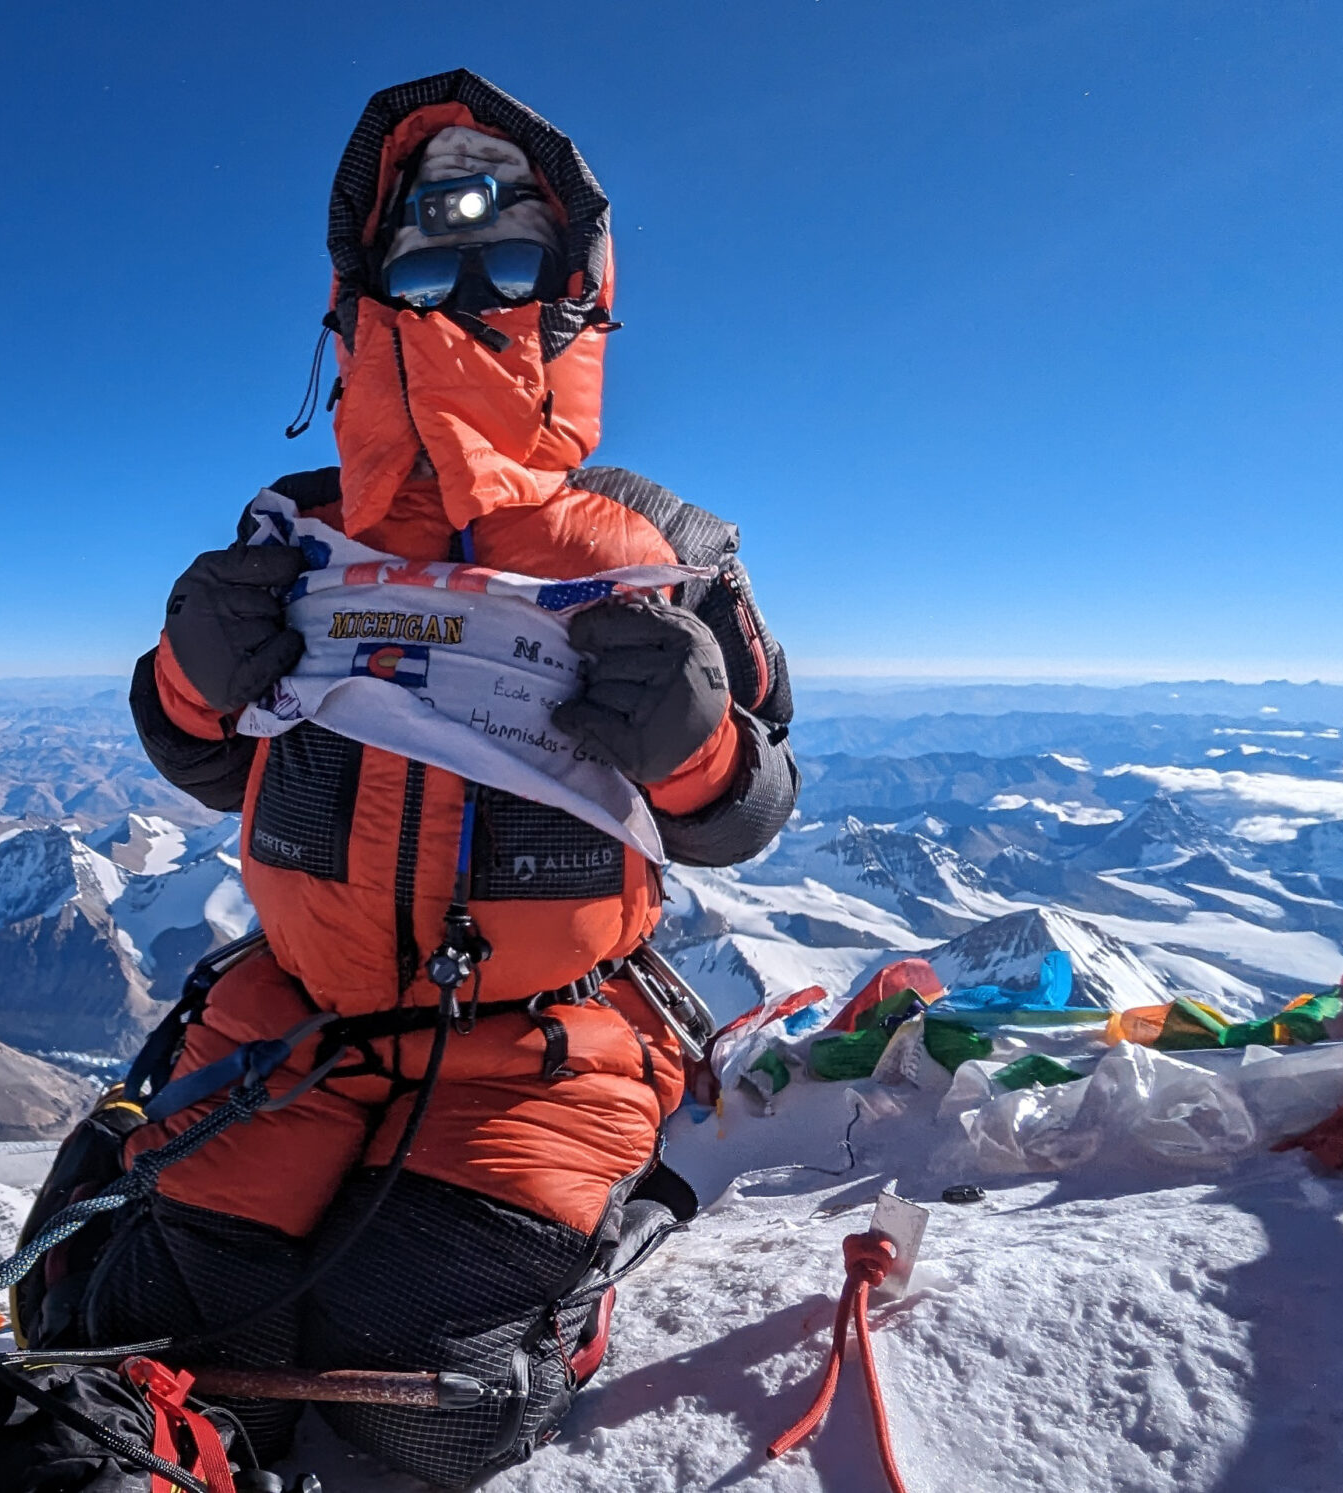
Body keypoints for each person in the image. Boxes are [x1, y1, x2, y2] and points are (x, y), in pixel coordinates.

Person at [50, 70, 798, 1486]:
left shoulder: (666, 549)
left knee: (414, 1407)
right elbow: (204, 753)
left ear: (572, 297)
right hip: (297, 1014)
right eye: (427, 260)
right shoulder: (297, 533)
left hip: (541, 1047)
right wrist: (191, 668)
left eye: (508, 260)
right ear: (363, 292)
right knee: (142, 1347)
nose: (464, 295)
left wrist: (695, 737)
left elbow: (746, 807)